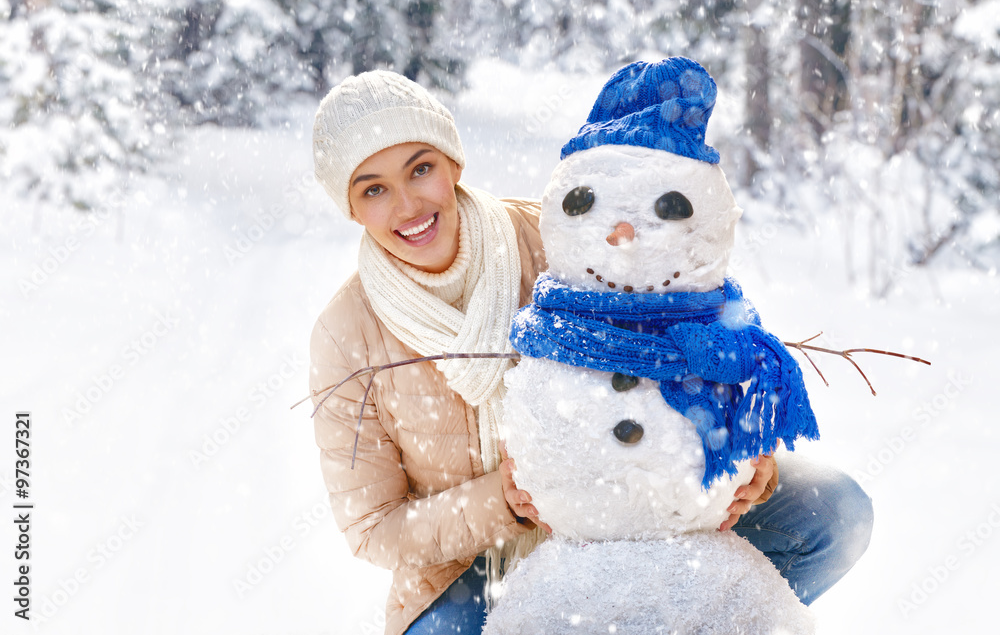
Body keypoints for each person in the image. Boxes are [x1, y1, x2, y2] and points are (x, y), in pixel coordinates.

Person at [308, 69, 873, 635]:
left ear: (453, 163)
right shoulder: (347, 334)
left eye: (420, 168)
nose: (407, 204)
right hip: (478, 569)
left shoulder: (564, 234)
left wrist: (747, 456)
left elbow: (699, 332)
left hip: (645, 505)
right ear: (351, 208)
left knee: (836, 514)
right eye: (373, 188)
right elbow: (374, 527)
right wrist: (501, 501)